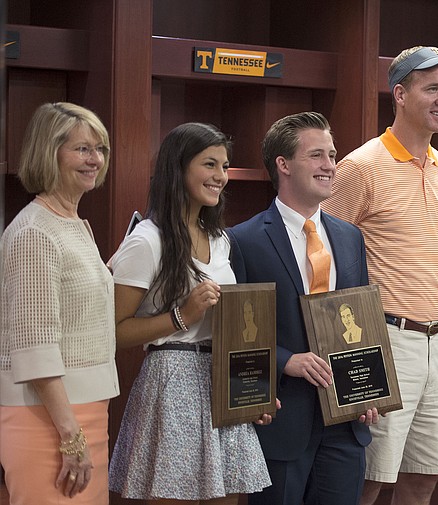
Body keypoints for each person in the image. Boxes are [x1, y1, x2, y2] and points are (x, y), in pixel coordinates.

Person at [321, 45, 438, 505]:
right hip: (382, 336)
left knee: (425, 475)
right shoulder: (361, 166)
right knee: (370, 478)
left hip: (436, 343)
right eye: (432, 89)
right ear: (400, 94)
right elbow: (325, 258)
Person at [107, 122, 273, 504]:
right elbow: (114, 332)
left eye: (226, 167)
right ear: (178, 168)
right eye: (209, 164)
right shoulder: (148, 240)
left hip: (223, 382)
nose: (220, 177)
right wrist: (181, 315)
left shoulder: (220, 238)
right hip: (172, 382)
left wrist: (255, 393)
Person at [228, 111, 378, 505]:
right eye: (317, 156)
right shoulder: (242, 240)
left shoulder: (350, 238)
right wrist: (285, 360)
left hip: (346, 420)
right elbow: (234, 333)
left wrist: (368, 389)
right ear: (284, 164)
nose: (330, 165)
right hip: (281, 416)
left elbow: (358, 318)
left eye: (332, 155)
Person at [0, 102, 119, 503]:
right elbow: (34, 345)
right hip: (48, 419)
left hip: (86, 411)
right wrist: (70, 436)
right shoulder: (35, 231)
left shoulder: (70, 223)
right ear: (48, 152)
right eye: (82, 149)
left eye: (99, 149)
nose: (95, 160)